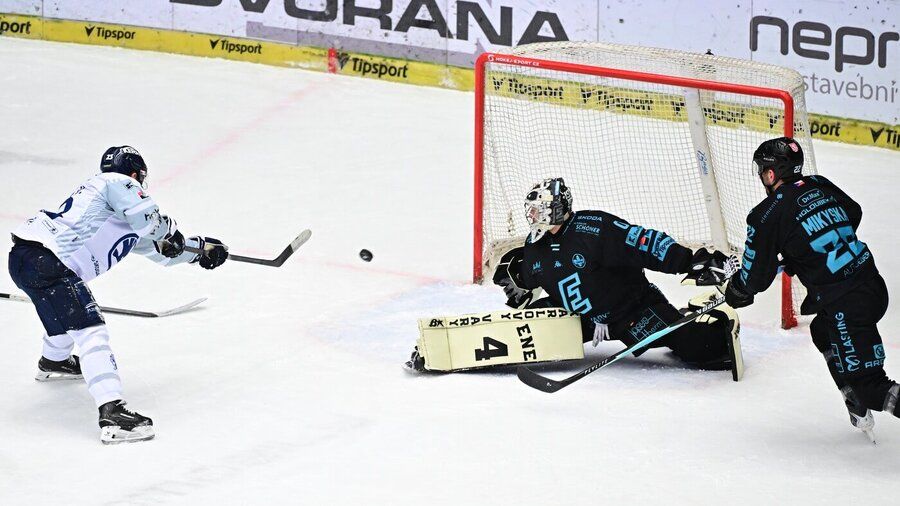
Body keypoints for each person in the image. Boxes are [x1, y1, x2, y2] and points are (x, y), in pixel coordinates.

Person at [8, 146, 228, 444]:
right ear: (136, 174)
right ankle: (112, 413)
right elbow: (149, 220)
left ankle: (54, 361)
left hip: (31, 259)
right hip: (47, 261)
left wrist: (199, 250)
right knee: (91, 331)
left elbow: (160, 248)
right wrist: (170, 232)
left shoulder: (114, 215)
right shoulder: (114, 182)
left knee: (64, 313)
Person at [724, 136, 897, 441]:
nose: (762, 176)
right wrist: (808, 248)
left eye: (763, 170)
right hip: (871, 284)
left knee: (872, 388)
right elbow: (853, 212)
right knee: (822, 330)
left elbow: (755, 279)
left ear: (772, 173)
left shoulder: (766, 214)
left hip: (847, 304)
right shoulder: (818, 183)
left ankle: (859, 393)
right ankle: (853, 396)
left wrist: (737, 290)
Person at [493, 177, 740, 372]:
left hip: (632, 313)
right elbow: (533, 275)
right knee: (529, 325)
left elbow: (643, 243)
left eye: (538, 210)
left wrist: (690, 262)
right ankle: (491, 347)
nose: (532, 216)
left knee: (695, 347)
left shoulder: (593, 228)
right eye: (531, 211)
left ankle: (704, 316)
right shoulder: (535, 245)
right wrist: (516, 281)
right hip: (581, 318)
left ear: (555, 210)